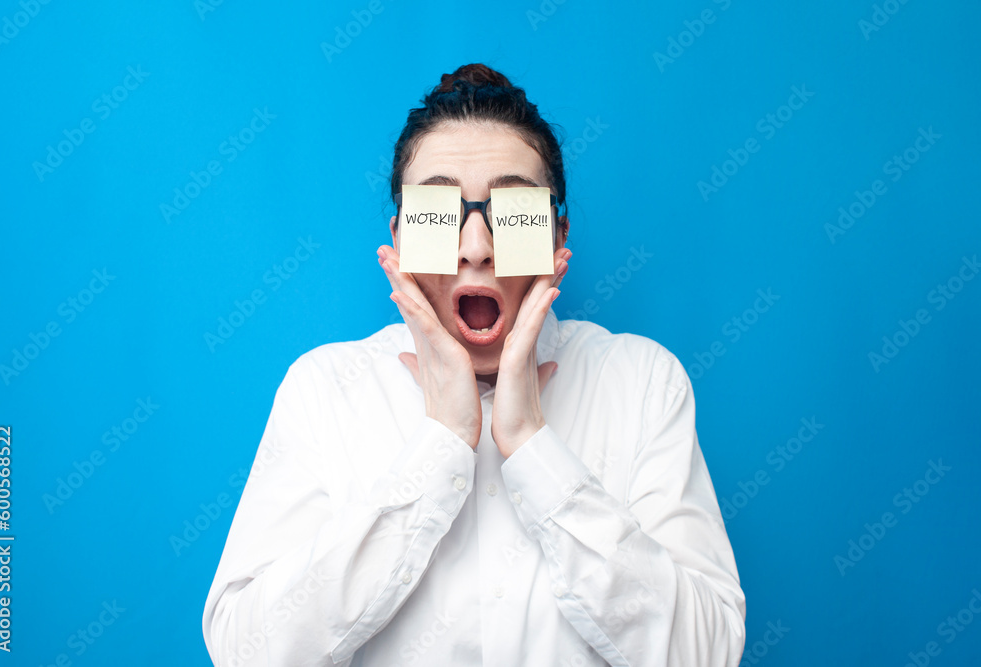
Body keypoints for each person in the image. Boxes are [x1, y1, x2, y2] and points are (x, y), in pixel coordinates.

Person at [202, 63, 746, 667]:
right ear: (403, 238)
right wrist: (441, 444)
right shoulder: (326, 388)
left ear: (557, 233)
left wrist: (532, 446)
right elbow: (244, 650)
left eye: (514, 213)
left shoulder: (641, 382)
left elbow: (707, 653)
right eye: (439, 214)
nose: (476, 247)